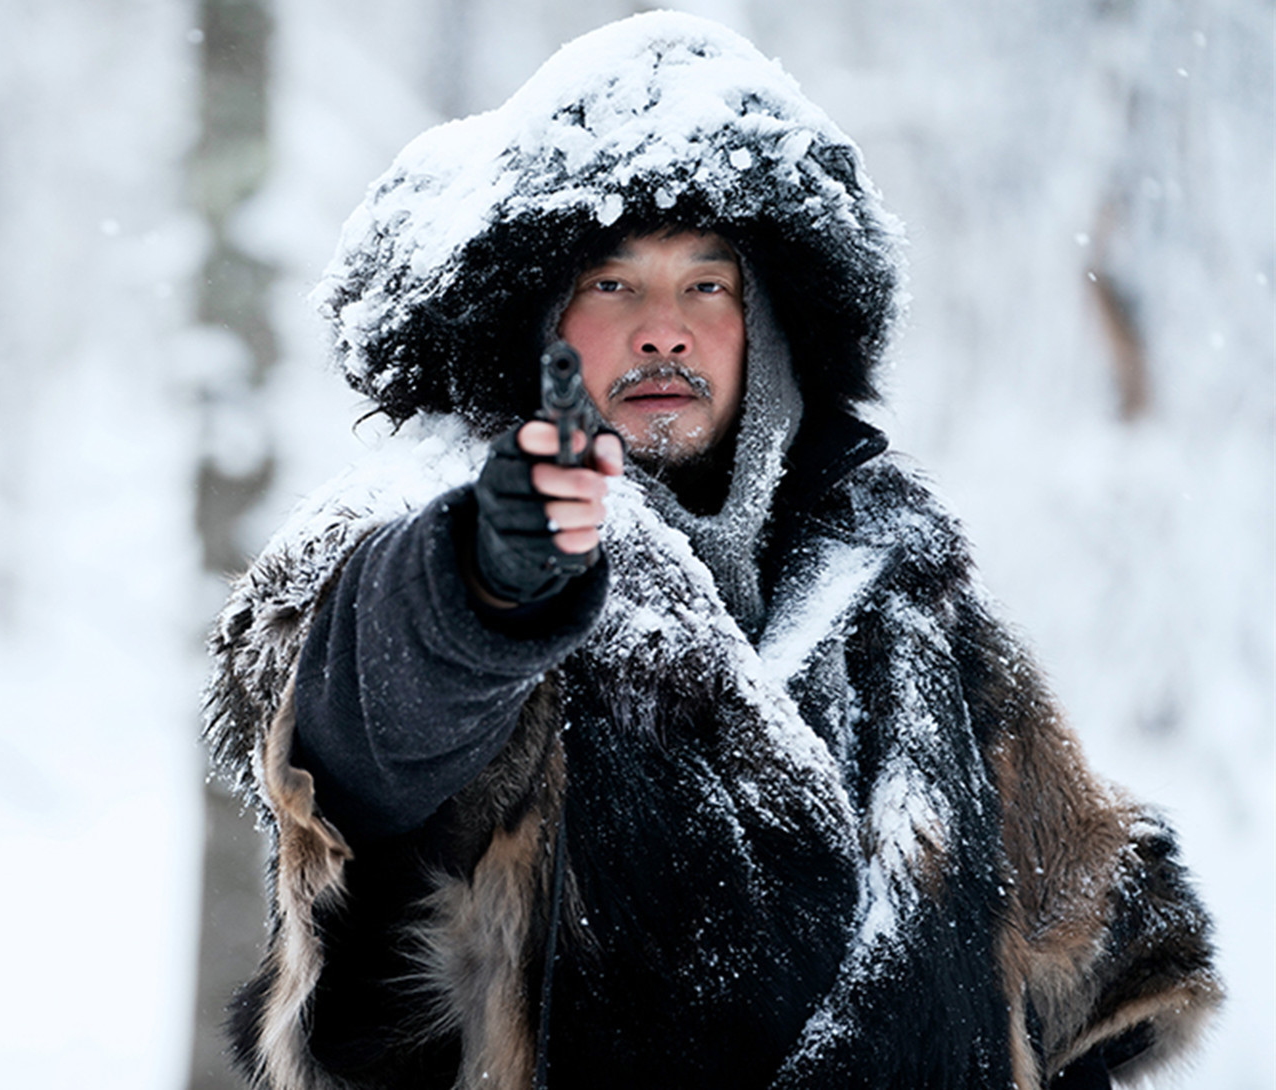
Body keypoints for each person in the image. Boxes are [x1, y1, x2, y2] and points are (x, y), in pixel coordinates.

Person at [202, 13, 1220, 1089]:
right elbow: (372, 735)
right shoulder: (426, 540)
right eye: (613, 282)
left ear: (766, 328)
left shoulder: (904, 604)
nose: (663, 329)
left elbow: (1086, 971)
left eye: (706, 285)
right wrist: (485, 586)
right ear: (540, 321)